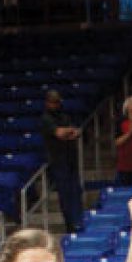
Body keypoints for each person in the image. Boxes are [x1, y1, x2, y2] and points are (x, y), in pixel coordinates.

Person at [40, 90, 84, 234]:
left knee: (76, 191)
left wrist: (68, 132)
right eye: (53, 102)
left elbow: (76, 132)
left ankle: (79, 221)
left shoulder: (64, 116)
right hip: (58, 161)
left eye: (58, 102)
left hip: (71, 158)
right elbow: (59, 133)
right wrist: (68, 132)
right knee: (65, 194)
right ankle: (70, 225)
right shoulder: (46, 118)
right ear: (47, 103)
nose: (56, 105)